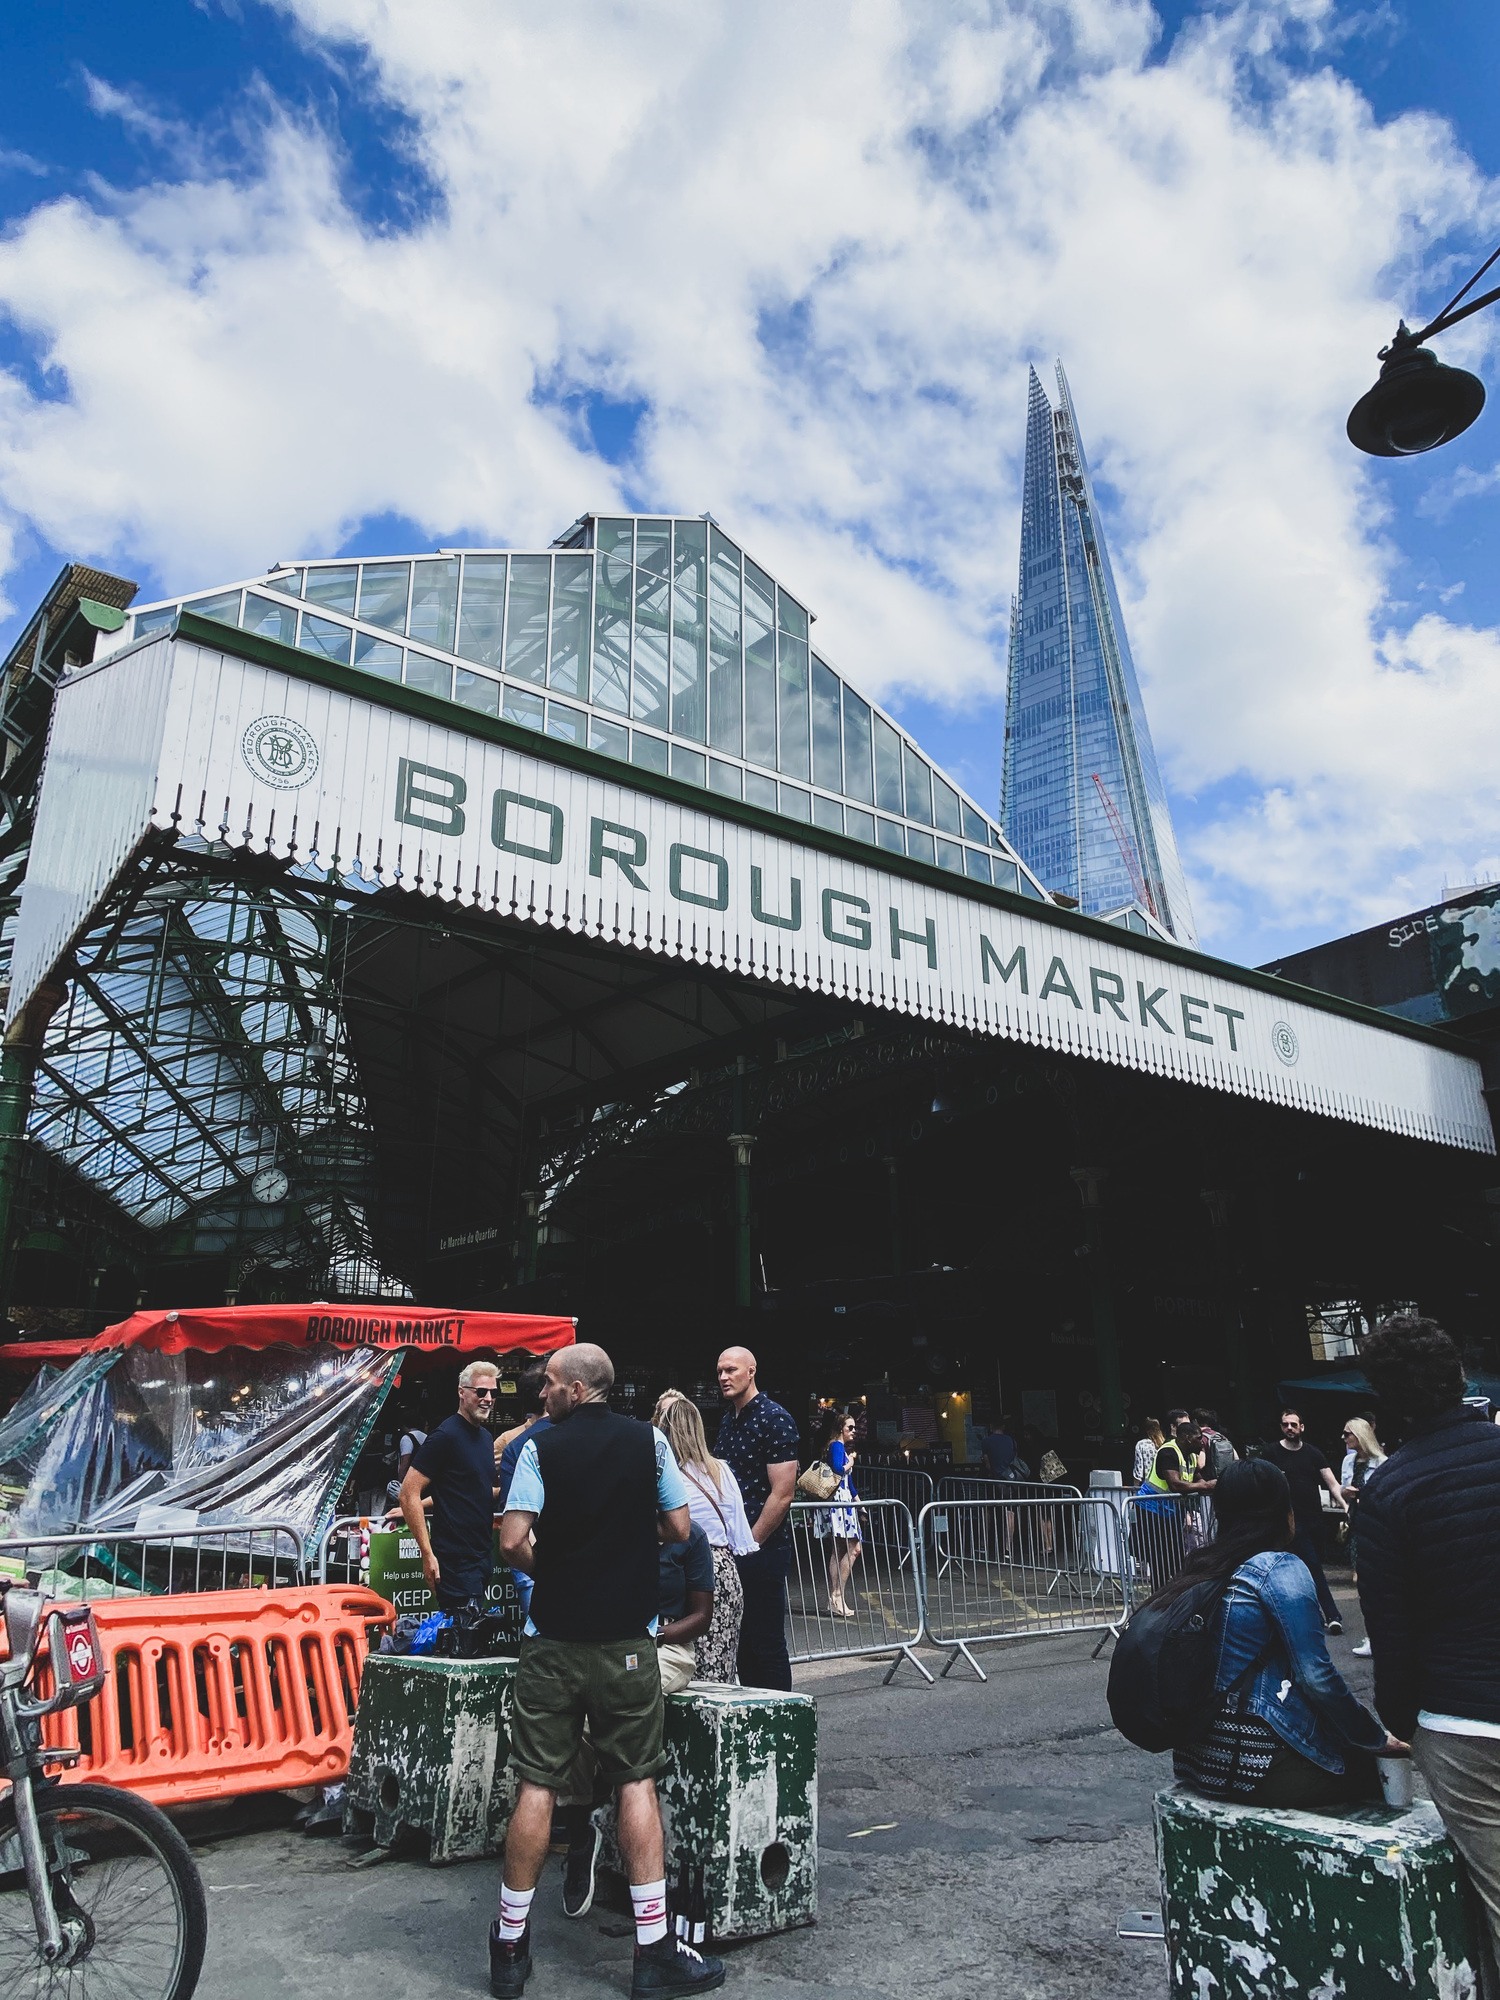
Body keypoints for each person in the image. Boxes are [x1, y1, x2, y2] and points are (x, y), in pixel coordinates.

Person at [492, 1342, 723, 1998]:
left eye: (550, 1384)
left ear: (577, 1388)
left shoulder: (538, 1448)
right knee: (635, 1783)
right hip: (628, 1642)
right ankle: (653, 1953)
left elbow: (511, 1540)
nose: (542, 1394)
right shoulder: (650, 1442)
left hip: (552, 1641)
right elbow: (680, 1526)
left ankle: (509, 1947)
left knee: (537, 1785)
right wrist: (627, 1542)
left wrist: (555, 1571)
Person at [1357, 1315, 1500, 1983]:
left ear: (1384, 1398)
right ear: (1459, 1376)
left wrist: (1401, 1721)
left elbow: (1392, 1632)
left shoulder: (1389, 1489)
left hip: (1462, 1728)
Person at [1164, 1459, 1396, 1807]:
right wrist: (1374, 1737)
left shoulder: (1200, 1567)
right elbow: (1316, 1676)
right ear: (1284, 1512)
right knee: (1371, 1773)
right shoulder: (1279, 1568)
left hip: (1198, 1763)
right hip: (1252, 1765)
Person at [557, 1516, 716, 1923]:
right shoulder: (617, 1527)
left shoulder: (692, 1538)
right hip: (611, 1644)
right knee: (572, 1720)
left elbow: (702, 1615)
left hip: (668, 1648)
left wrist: (656, 1635)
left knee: (622, 1700)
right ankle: (580, 1832)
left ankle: (605, 1813)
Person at [653, 1390, 754, 1681]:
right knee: (721, 1665)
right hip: (725, 1570)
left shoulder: (669, 1476)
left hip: (687, 1569)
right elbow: (740, 1534)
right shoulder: (721, 1469)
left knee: (685, 1664)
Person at [715, 1345, 800, 1691]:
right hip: (734, 1547)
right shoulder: (728, 1420)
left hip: (762, 1550)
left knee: (766, 1643)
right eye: (720, 1371)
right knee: (743, 1644)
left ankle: (781, 1712)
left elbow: (782, 1494)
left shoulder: (774, 1418)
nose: (723, 1377)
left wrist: (750, 1543)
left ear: (751, 1371)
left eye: (731, 1370)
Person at [400, 1361, 500, 1616]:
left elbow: (466, 1490)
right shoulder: (445, 1435)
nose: (488, 1399)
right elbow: (408, 1493)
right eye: (481, 1392)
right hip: (455, 1560)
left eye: (493, 1392)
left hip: (481, 1556)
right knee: (463, 1633)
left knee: (470, 1632)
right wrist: (427, 1554)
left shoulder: (485, 1438)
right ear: (461, 1392)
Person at [1274, 1407, 1348, 1633]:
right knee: (1312, 1567)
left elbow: (1332, 1482)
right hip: (1289, 1522)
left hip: (1314, 1520)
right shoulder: (1272, 1453)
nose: (1289, 1428)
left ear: (1302, 1427)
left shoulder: (1313, 1453)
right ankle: (1332, 1615)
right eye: (1285, 1424)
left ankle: (1313, 1615)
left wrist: (1345, 1506)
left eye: (1293, 1424)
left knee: (1311, 1567)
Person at [497, 1363, 552, 1615]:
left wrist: (538, 1567)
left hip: (533, 1555)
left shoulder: (515, 1446)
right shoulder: (583, 1435)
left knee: (541, 1631)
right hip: (580, 1557)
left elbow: (513, 1518)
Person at [1338, 1414, 1385, 1655]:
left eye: (1348, 1433)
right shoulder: (1349, 1461)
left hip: (1376, 1526)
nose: (1344, 1437)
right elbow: (1343, 1490)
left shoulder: (1382, 1463)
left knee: (1374, 1582)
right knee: (1363, 1582)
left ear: (1360, 1435)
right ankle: (1372, 1636)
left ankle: (1378, 1635)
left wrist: (1362, 1495)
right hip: (1356, 1524)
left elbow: (1384, 1495)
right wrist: (1346, 1494)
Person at [813, 1410, 862, 1618]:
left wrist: (859, 1503)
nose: (854, 1431)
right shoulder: (837, 1446)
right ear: (841, 1428)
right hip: (839, 1503)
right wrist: (850, 1463)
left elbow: (849, 1482)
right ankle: (836, 1595)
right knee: (850, 1548)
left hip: (844, 1502)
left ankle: (836, 1596)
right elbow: (837, 1470)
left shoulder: (839, 1447)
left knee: (842, 1549)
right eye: (850, 1427)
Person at [1193, 1408, 1237, 1481]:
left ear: (1195, 1421)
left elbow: (1201, 1464)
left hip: (1209, 1481)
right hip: (1225, 1479)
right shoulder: (1221, 1436)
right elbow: (1236, 1458)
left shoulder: (1201, 1438)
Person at [1132, 1417, 1165, 1489]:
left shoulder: (1141, 1444)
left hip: (1148, 1487)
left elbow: (1138, 1470)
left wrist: (1135, 1489)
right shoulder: (1164, 1444)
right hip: (1163, 1487)